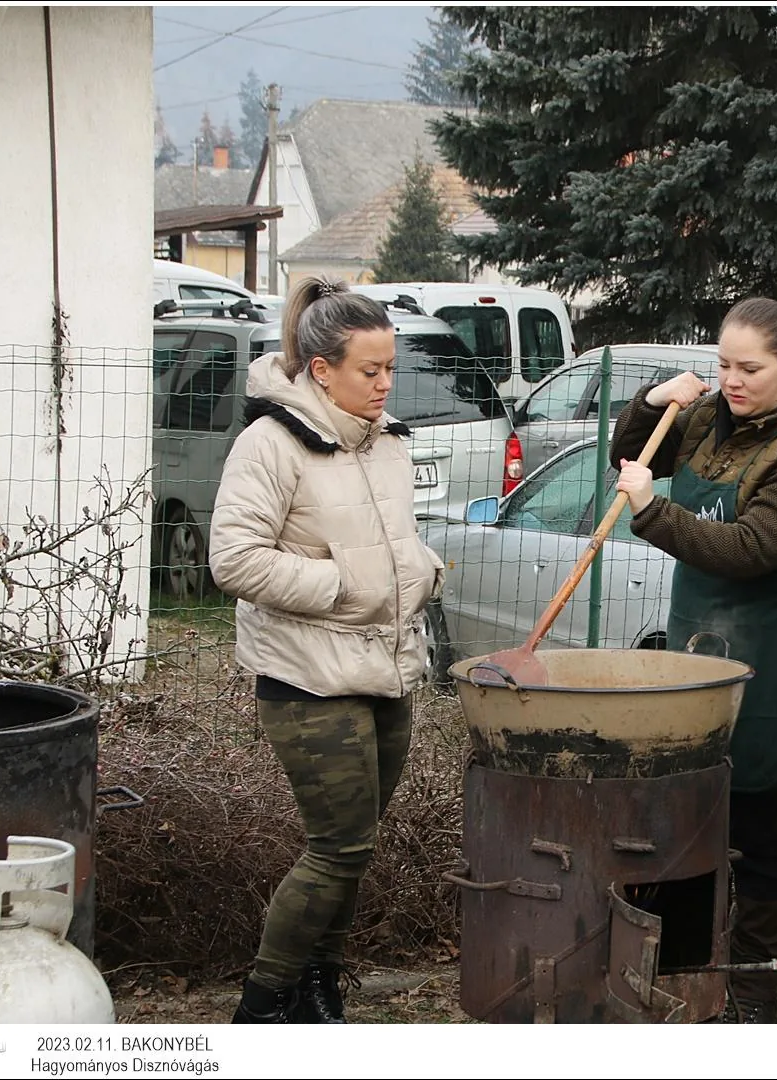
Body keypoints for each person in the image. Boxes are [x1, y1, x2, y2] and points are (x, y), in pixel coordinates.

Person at [209, 274, 445, 1024]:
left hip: (387, 668)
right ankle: (260, 1004)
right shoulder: (270, 444)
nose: (385, 384)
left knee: (357, 848)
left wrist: (421, 569)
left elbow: (393, 542)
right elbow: (234, 561)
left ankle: (319, 990)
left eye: (389, 369)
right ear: (321, 370)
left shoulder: (387, 444)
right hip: (309, 678)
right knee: (337, 849)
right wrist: (343, 584)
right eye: (369, 371)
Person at [609, 297, 777, 1023]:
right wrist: (655, 399)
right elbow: (633, 445)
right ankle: (681, 976)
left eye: (749, 368)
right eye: (721, 365)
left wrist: (653, 513)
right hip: (702, 641)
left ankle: (753, 996)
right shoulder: (713, 417)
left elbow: (750, 550)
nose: (732, 380)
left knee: (753, 817)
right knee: (682, 808)